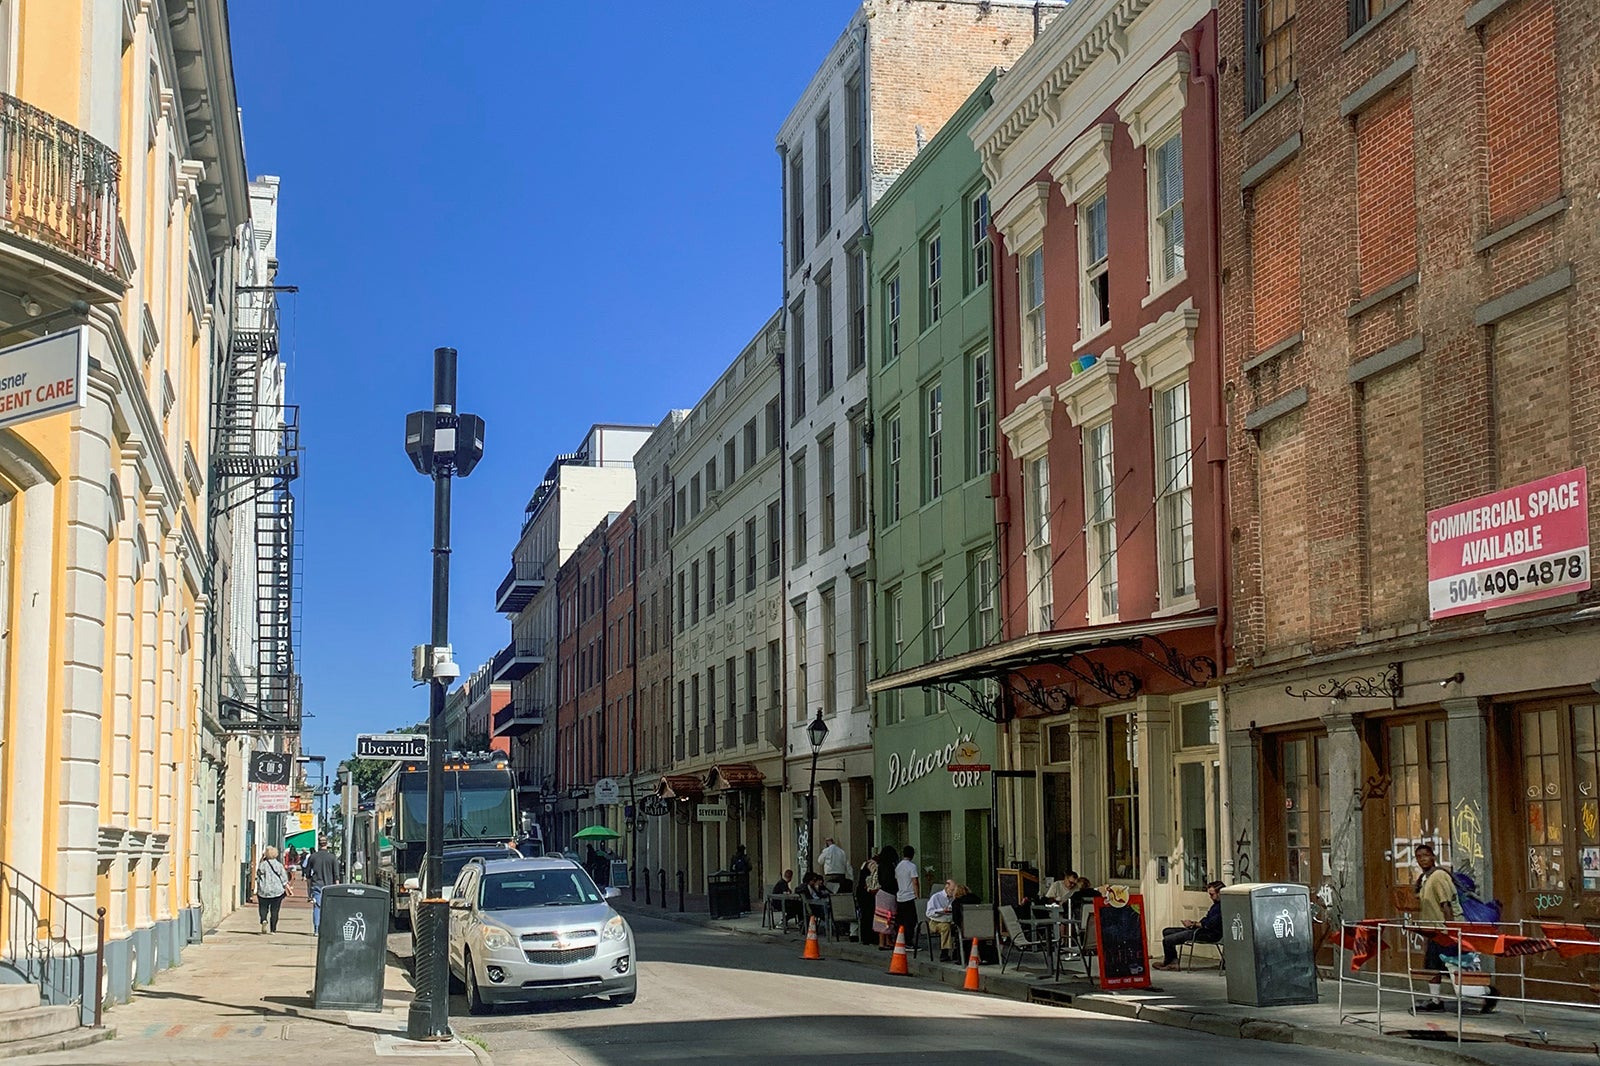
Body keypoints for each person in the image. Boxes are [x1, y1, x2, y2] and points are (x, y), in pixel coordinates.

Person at [1413, 843, 1459, 1012]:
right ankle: (1435, 1000)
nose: (1422, 859)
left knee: (1455, 967)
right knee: (1432, 966)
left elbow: (1446, 905)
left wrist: (1451, 930)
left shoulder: (1438, 876)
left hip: (1443, 931)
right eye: (1418, 857)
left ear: (1433, 856)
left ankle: (1486, 995)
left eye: (1425, 855)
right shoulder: (1425, 878)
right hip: (1433, 931)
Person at [1154, 881, 1224, 969]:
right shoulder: (1215, 906)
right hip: (1201, 929)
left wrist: (1194, 924)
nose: (1210, 897)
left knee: (1167, 940)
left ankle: (1172, 964)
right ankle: (1170, 960)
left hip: (1211, 934)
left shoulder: (1223, 907)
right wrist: (1193, 924)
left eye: (1212, 894)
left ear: (1219, 893)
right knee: (1167, 931)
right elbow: (1206, 920)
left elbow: (1211, 924)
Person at [302, 838, 340, 935]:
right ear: (326, 844)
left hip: (316, 885)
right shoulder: (332, 857)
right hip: (329, 886)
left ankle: (316, 929)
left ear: (318, 844)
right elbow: (336, 875)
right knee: (328, 908)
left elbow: (308, 874)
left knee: (317, 907)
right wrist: (337, 888)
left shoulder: (313, 857)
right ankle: (327, 928)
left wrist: (309, 890)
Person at [926, 879, 969, 961]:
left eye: (954, 890)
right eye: (951, 890)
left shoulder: (954, 898)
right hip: (936, 921)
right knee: (946, 927)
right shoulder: (936, 897)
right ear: (946, 887)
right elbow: (929, 913)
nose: (953, 892)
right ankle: (944, 952)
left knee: (960, 926)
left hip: (950, 920)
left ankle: (957, 951)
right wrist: (942, 910)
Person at [255, 846, 291, 934]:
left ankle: (263, 919)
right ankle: (273, 929)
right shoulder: (279, 865)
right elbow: (284, 878)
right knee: (275, 910)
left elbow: (258, 874)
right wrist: (288, 888)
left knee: (263, 908)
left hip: (264, 890)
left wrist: (261, 859)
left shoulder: (262, 865)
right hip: (277, 891)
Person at [873, 846, 899, 949]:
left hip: (881, 893)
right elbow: (891, 881)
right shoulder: (891, 867)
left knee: (881, 918)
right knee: (889, 918)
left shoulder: (880, 865)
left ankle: (882, 942)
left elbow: (880, 880)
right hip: (889, 894)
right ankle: (886, 942)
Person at [894, 845, 921, 942]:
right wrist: (917, 895)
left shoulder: (898, 866)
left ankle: (901, 939)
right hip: (910, 896)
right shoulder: (912, 866)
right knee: (911, 920)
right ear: (912, 854)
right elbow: (915, 882)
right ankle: (909, 941)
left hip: (900, 896)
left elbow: (897, 880)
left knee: (901, 920)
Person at [856, 854, 880, 945]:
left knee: (865, 916)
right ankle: (872, 937)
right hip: (868, 893)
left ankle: (865, 937)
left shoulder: (864, 864)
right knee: (870, 915)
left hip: (861, 892)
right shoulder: (873, 866)